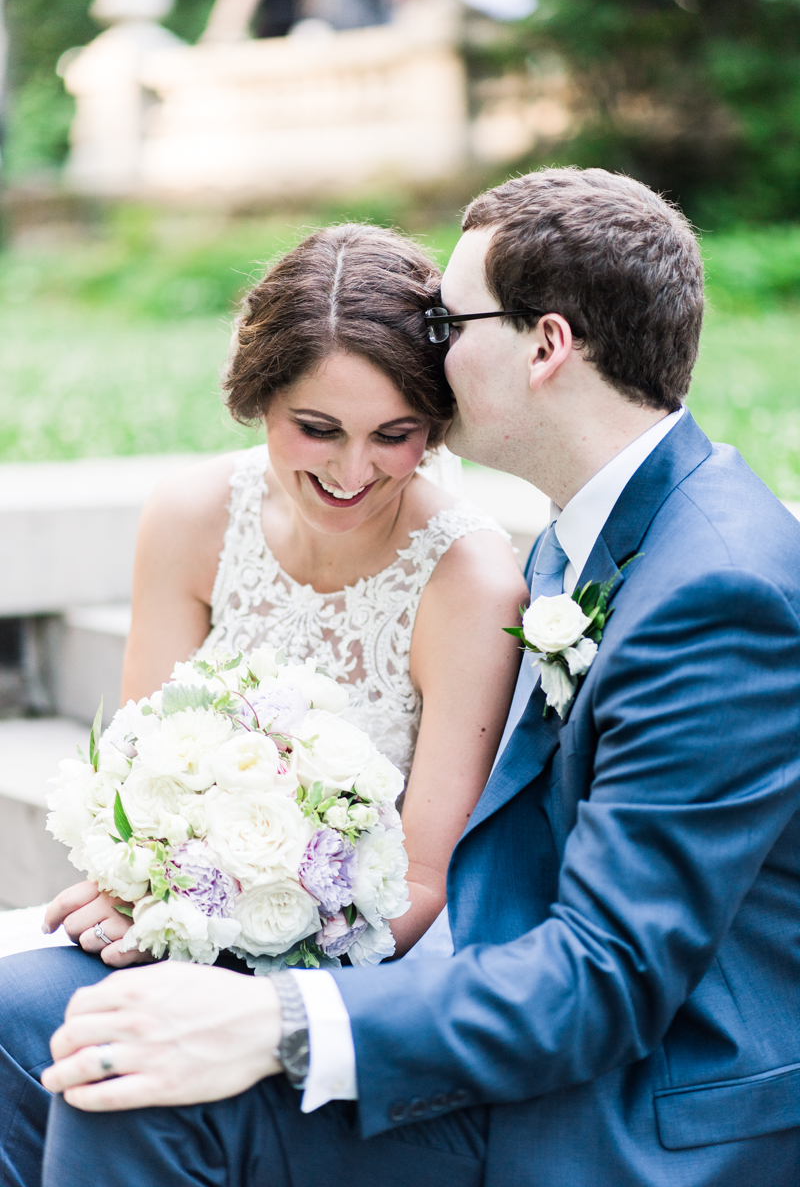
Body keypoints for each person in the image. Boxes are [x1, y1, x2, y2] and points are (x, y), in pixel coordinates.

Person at [3, 168, 800, 1187]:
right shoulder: (590, 534)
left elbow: (607, 976)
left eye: (451, 319)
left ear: (544, 345)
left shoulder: (713, 587)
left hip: (631, 1104)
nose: (432, 346)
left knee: (135, 1092)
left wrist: (278, 1017)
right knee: (27, 1017)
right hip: (508, 1007)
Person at [10, 223, 525, 970]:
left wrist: (233, 957)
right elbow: (133, 775)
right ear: (259, 398)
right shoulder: (192, 516)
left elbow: (420, 879)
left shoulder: (470, 583)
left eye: (394, 433)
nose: (353, 471)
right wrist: (147, 895)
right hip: (177, 924)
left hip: (358, 965)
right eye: (318, 428)